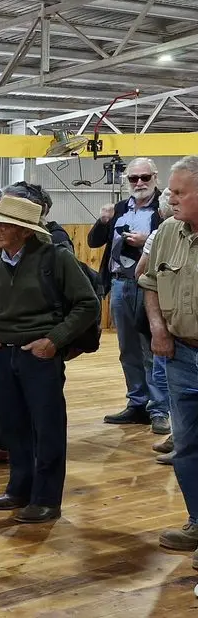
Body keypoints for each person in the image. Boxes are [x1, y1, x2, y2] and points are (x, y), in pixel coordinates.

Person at [0, 195, 99, 524]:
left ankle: (46, 500)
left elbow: (88, 304)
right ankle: (18, 489)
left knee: (47, 428)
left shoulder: (56, 259)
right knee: (14, 427)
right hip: (2, 354)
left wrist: (53, 341)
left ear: (26, 231)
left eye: (5, 224)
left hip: (39, 355)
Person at [141, 156, 198, 565]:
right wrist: (158, 330)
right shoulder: (166, 232)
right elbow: (150, 284)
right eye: (171, 191)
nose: (170, 198)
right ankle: (197, 520)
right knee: (187, 446)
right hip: (180, 355)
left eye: (180, 192)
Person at [90, 158, 169, 433]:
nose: (139, 183)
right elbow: (92, 242)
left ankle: (159, 408)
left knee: (152, 348)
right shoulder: (119, 208)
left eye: (144, 177)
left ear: (155, 177)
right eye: (133, 178)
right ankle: (137, 403)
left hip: (150, 285)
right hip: (120, 284)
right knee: (127, 349)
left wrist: (147, 240)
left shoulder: (164, 208)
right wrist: (103, 221)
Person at [136, 188, 174, 466]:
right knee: (167, 375)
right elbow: (145, 278)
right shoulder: (161, 235)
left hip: (174, 318)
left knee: (164, 374)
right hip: (169, 318)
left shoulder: (157, 235)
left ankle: (180, 437)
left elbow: (141, 273)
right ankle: (180, 437)